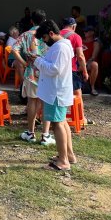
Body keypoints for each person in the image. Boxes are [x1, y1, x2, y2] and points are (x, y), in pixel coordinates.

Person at [34, 20, 76, 171]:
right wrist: (40, 60)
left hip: (56, 92)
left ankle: (63, 161)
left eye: (45, 38)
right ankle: (68, 155)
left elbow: (54, 69)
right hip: (57, 91)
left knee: (57, 124)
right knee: (62, 122)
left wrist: (38, 61)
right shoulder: (62, 46)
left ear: (51, 34)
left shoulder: (60, 48)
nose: (45, 42)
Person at [12, 9, 55, 146]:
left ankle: (30, 133)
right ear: (45, 20)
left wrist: (24, 62)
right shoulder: (48, 34)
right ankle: (45, 135)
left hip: (31, 72)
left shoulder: (26, 35)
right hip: (46, 71)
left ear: (32, 21)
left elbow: (14, 49)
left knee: (32, 101)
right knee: (45, 102)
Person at [82, 26, 102, 96]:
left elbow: (93, 57)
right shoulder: (81, 40)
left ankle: (92, 88)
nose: (85, 32)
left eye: (87, 31)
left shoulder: (96, 42)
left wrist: (85, 64)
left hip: (89, 63)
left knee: (94, 65)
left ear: (92, 32)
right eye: (84, 31)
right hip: (80, 62)